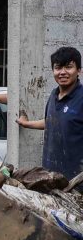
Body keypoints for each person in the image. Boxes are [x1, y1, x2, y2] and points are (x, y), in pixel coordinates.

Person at [16, 46, 83, 179]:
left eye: (68, 67)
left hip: (76, 181)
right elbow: (51, 121)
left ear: (79, 71)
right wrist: (26, 124)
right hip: (50, 177)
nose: (62, 72)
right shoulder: (54, 95)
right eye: (58, 68)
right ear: (53, 70)